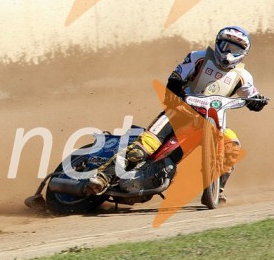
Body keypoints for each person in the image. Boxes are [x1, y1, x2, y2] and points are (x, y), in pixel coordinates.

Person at [86, 26, 268, 201]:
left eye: (235, 48)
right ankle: (103, 176)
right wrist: (177, 95)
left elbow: (251, 97)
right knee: (143, 149)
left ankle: (217, 189)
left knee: (232, 146)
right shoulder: (199, 57)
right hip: (180, 113)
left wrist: (258, 101)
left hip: (214, 121)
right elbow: (175, 78)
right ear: (217, 43)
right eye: (225, 45)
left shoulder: (243, 76)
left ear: (243, 53)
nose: (228, 52)